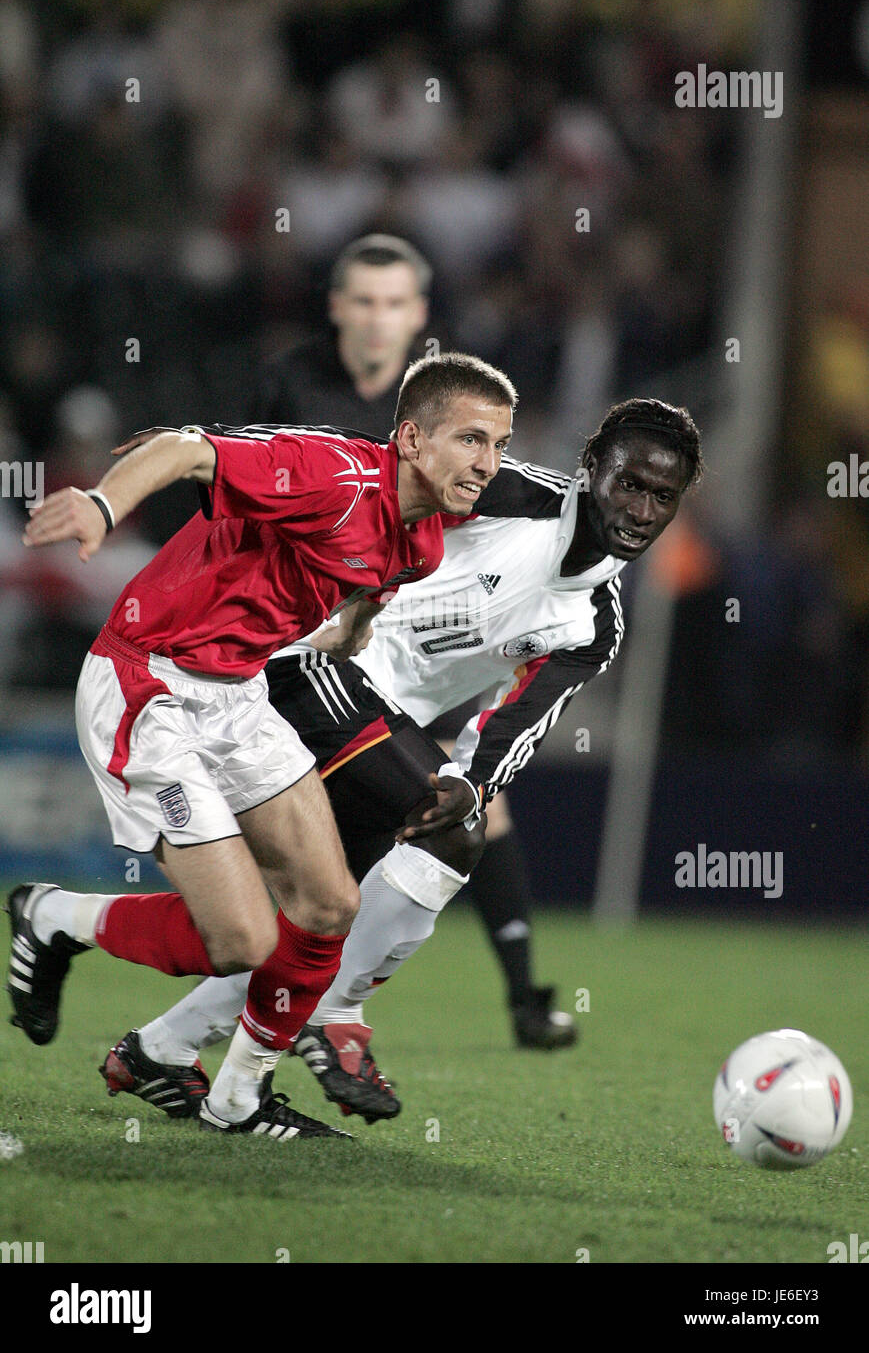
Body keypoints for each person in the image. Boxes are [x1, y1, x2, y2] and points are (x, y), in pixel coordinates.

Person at [96, 398, 703, 1125]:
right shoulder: (510, 493)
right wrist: (213, 441)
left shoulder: (594, 623)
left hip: (375, 724)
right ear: (588, 470)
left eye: (661, 496)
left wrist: (469, 784)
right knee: (444, 842)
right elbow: (375, 464)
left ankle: (158, 1044)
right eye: (627, 483)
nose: (640, 508)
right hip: (306, 662)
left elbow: (516, 724)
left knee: (320, 915)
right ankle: (331, 1016)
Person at [7, 353, 516, 1140]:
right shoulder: (333, 473)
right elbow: (183, 447)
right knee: (241, 941)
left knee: (328, 904)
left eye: (499, 445)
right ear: (411, 438)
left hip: (239, 694)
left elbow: (365, 580)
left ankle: (237, 1100)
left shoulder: (424, 544)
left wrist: (353, 626)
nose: (487, 463)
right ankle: (55, 915)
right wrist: (105, 509)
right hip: (150, 685)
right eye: (471, 440)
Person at [255, 230, 575, 1048]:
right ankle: (294, 1008)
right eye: (361, 300)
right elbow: (256, 492)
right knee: (308, 855)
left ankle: (518, 1000)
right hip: (308, 639)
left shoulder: (440, 407)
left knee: (461, 809)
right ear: (336, 308)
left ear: (418, 313)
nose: (376, 318)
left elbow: (503, 495)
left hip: (412, 638)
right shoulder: (292, 382)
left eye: (393, 302)